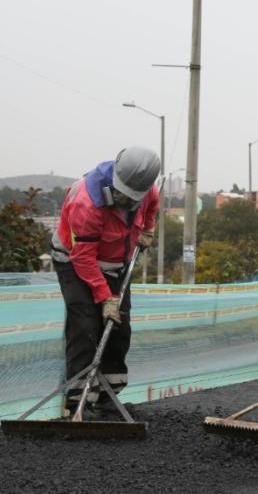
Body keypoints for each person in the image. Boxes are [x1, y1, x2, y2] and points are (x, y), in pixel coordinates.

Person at [49, 146, 161, 419]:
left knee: (119, 329)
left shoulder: (145, 189)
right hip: (74, 263)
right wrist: (104, 297)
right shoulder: (86, 204)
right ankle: (78, 401)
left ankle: (108, 397)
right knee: (86, 325)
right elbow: (83, 257)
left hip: (117, 264)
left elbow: (153, 204)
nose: (129, 202)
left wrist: (148, 227)